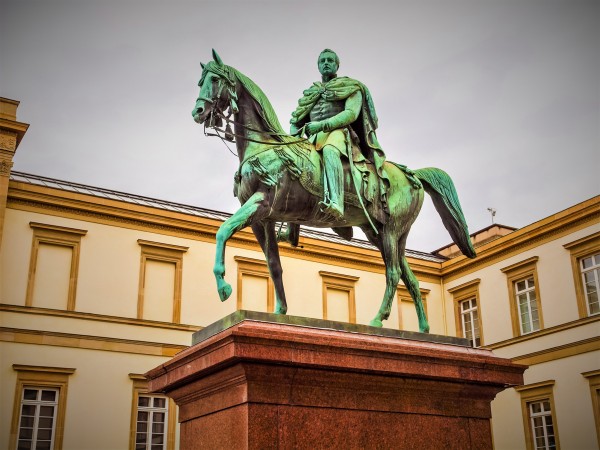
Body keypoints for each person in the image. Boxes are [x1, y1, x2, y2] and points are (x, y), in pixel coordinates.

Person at [290, 49, 389, 220]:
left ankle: (336, 202)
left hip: (339, 134)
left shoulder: (350, 87)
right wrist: (292, 138)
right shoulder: (311, 92)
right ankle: (292, 228)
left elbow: (351, 113)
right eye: (323, 61)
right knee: (292, 165)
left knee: (330, 151)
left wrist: (321, 125)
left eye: (330, 60)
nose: (326, 63)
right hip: (314, 138)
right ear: (318, 66)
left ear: (337, 65)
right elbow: (296, 121)